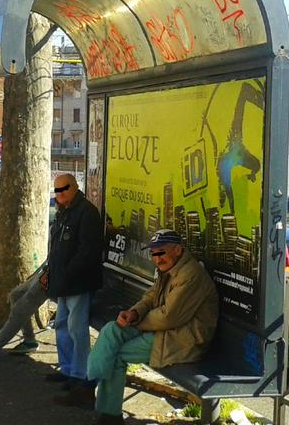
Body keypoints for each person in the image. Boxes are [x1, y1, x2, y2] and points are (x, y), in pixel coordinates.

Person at [87, 229, 219, 425]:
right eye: (153, 253)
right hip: (162, 329)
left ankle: (107, 414)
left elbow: (169, 317)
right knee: (111, 330)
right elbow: (150, 297)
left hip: (183, 339)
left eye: (161, 252)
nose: (157, 258)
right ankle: (88, 387)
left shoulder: (190, 274)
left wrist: (137, 321)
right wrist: (134, 313)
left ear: (177, 250)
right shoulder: (168, 269)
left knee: (117, 354)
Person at [46, 173, 103, 407]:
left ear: (75, 187)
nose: (59, 195)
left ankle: (79, 375)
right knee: (61, 324)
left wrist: (68, 272)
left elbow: (88, 251)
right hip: (63, 280)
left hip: (78, 281)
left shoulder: (86, 212)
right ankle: (68, 369)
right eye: (56, 191)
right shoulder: (64, 210)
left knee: (76, 329)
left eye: (63, 189)